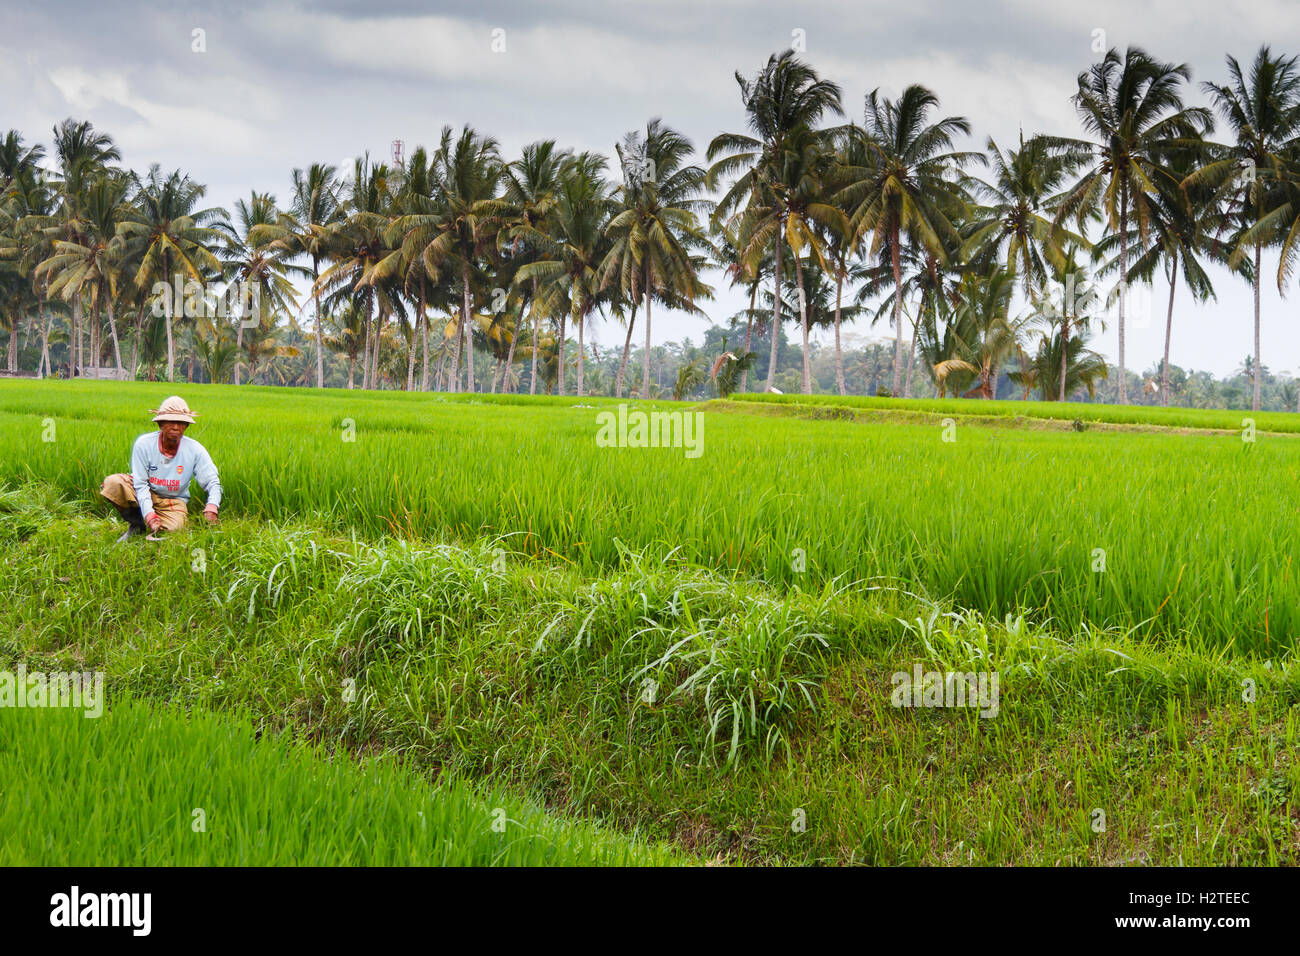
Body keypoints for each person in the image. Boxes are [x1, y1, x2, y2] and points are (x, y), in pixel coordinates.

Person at [100, 396, 222, 542]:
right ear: (161, 424)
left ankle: (154, 523)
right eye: (171, 422)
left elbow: (213, 482)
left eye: (181, 422)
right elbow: (140, 484)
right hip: (144, 492)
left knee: (175, 528)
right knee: (113, 484)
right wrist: (149, 514)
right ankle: (137, 524)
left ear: (186, 426)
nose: (176, 427)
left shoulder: (195, 449)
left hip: (173, 500)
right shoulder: (144, 444)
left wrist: (212, 506)